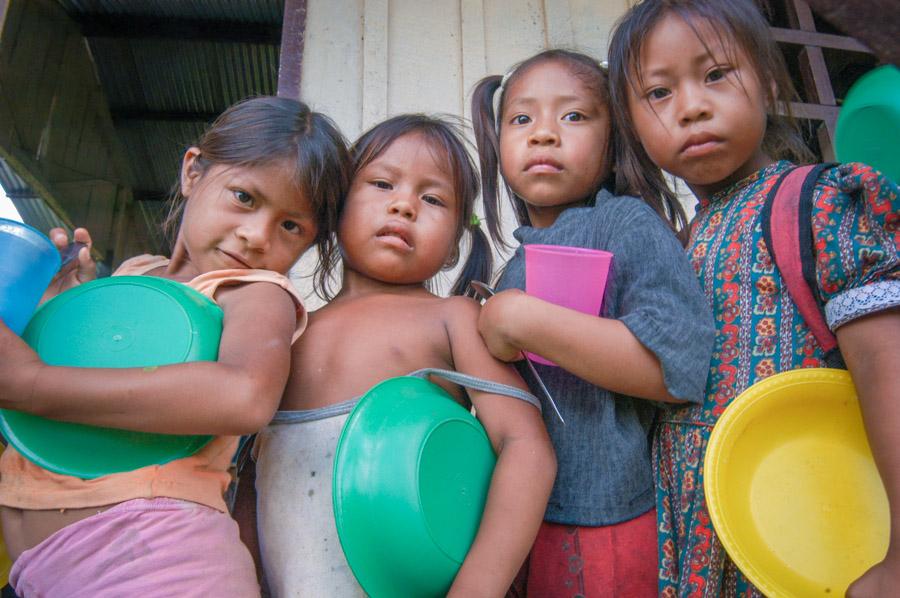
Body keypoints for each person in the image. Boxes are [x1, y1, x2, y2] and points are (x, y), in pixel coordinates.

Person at [0, 95, 352, 597]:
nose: (256, 235)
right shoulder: (136, 272)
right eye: (245, 198)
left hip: (162, 565)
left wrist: (32, 382)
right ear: (193, 172)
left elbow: (244, 396)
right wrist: (60, 309)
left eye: (291, 226)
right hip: (43, 572)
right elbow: (92, 395)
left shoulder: (255, 293)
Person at [607, 1, 900, 596]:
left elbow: (889, 371)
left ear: (766, 81)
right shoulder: (680, 245)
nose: (691, 106)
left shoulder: (816, 201)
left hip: (812, 540)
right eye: (658, 93)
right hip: (699, 547)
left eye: (715, 74)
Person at [239, 114, 556, 597]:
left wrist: (477, 588)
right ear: (337, 207)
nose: (404, 205)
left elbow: (526, 448)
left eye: (433, 199)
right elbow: (245, 474)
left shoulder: (454, 317)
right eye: (382, 183)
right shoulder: (286, 329)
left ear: (453, 245)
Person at [470, 49, 715, 596]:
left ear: (613, 145)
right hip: (519, 526)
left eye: (574, 116)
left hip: (603, 520)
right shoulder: (513, 264)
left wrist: (520, 318)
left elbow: (676, 366)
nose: (544, 134)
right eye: (522, 118)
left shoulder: (623, 221)